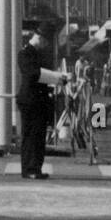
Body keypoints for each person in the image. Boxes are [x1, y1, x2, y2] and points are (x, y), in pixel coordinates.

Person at [16, 28, 67, 180]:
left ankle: (36, 167)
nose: (45, 45)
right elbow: (33, 74)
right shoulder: (24, 54)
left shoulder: (36, 54)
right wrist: (58, 78)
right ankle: (29, 168)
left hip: (39, 101)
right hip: (30, 100)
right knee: (30, 136)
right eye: (44, 41)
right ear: (37, 37)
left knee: (38, 136)